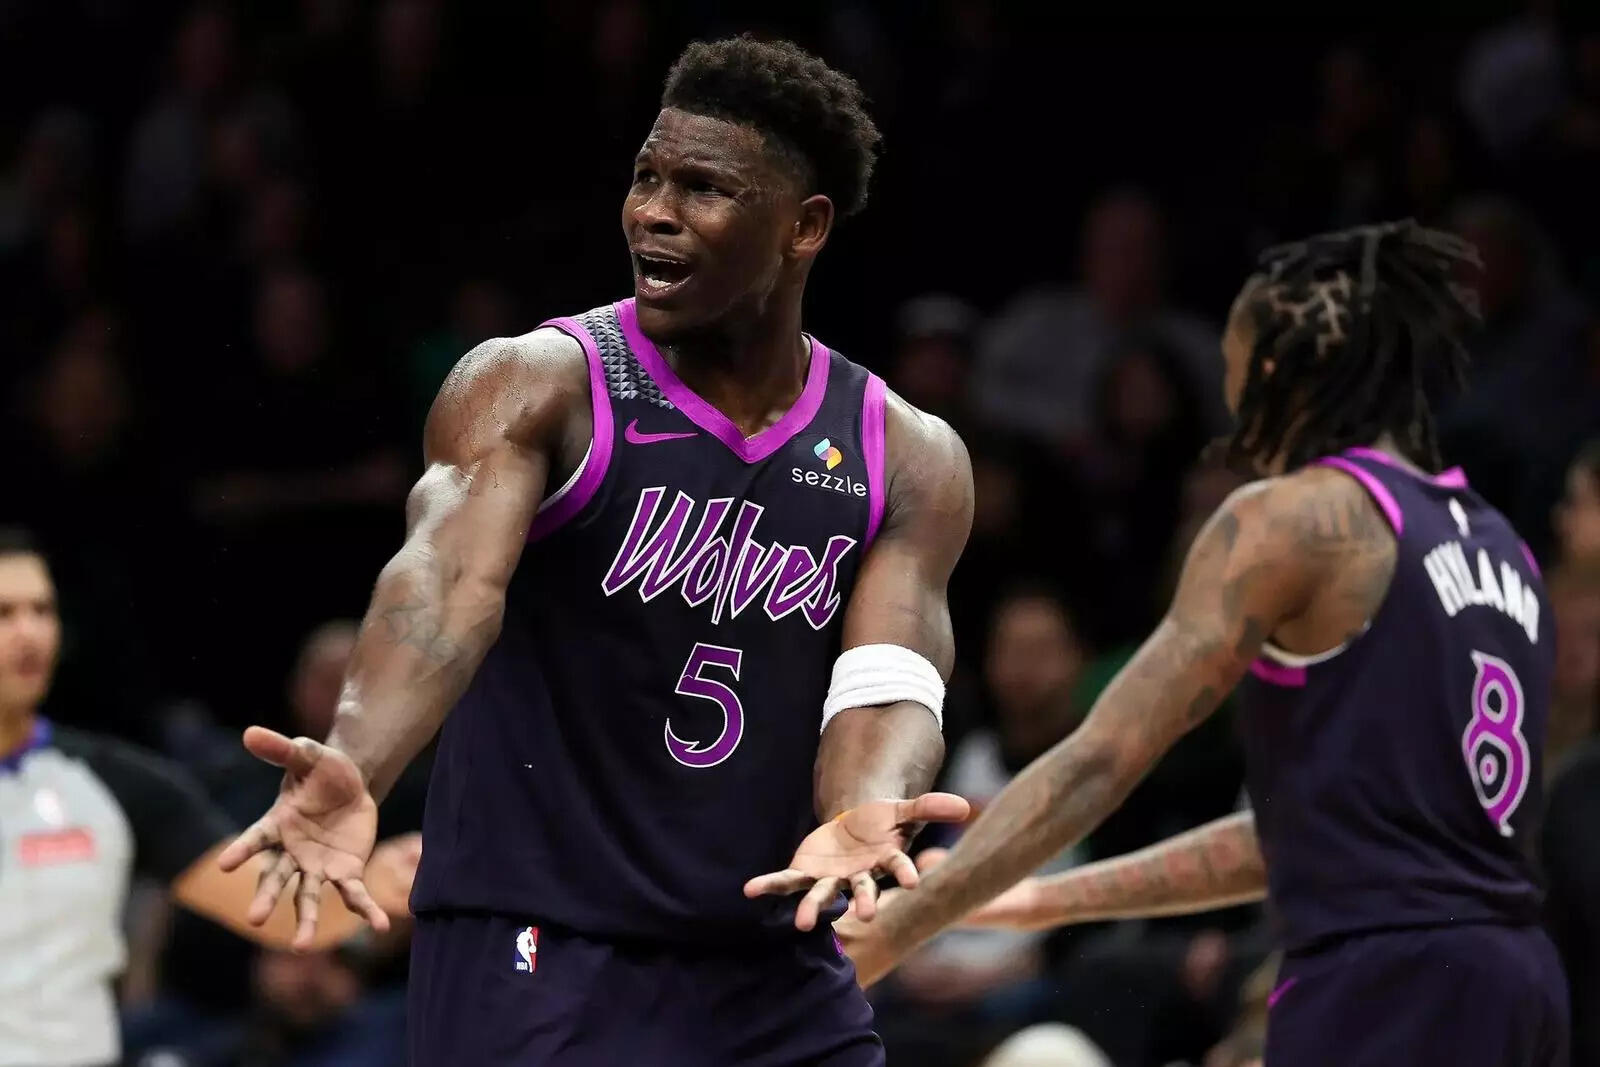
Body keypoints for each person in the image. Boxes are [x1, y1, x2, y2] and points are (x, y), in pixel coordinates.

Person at [220, 36, 973, 1067]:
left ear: (803, 227)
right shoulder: (540, 381)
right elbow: (442, 590)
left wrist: (858, 809)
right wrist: (359, 755)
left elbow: (885, 679)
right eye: (647, 176)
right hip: (539, 938)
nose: (654, 212)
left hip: (767, 956)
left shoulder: (909, 454)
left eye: (703, 187)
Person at [839, 220, 1570, 1066]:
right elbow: (1305, 839)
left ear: (1278, 370)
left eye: (1236, 368)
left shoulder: (1294, 521)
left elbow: (1099, 762)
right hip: (1519, 980)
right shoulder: (1503, 548)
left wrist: (896, 928)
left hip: (1382, 979)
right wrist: (1043, 898)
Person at [0, 527, 411, 1067]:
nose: (30, 633)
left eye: (42, 610)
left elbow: (275, 913)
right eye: (5, 613)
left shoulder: (115, 782)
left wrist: (374, 880)